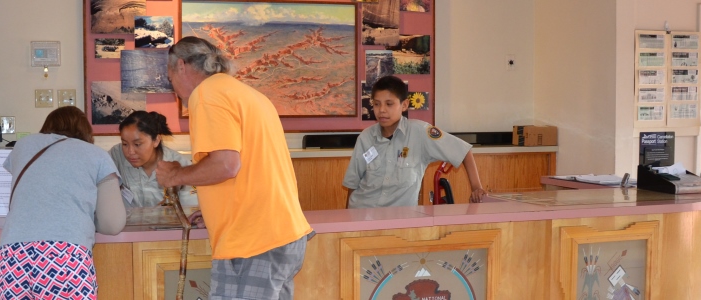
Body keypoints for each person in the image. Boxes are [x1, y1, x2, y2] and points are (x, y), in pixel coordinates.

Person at [156, 36, 314, 300]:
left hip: (254, 242)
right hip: (279, 236)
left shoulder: (206, 95)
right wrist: (215, 210)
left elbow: (226, 165)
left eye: (170, 77)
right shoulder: (244, 93)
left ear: (181, 66)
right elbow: (249, 167)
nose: (173, 87)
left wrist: (175, 175)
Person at [0, 106, 126, 300]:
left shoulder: (22, 146)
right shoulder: (97, 156)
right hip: (63, 257)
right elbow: (112, 224)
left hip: (11, 256)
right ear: (86, 132)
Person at [343, 75, 487, 208]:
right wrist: (348, 219)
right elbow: (353, 184)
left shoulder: (420, 133)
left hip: (401, 222)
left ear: (404, 105)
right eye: (376, 104)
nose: (382, 110)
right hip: (363, 215)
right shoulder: (365, 137)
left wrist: (476, 188)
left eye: (389, 104)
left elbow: (463, 151)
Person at [108, 110, 199, 207]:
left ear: (156, 140)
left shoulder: (180, 166)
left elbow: (190, 208)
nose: (130, 152)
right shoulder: (116, 156)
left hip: (168, 222)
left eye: (137, 144)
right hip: (128, 222)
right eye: (125, 144)